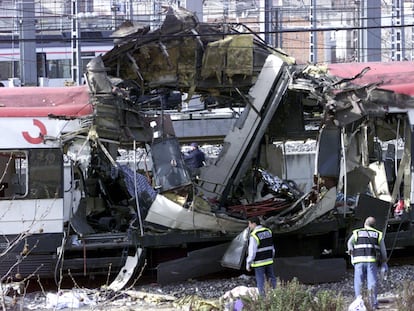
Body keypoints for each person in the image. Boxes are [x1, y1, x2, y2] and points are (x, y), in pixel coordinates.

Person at [347, 216, 387, 309]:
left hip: (358, 261)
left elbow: (349, 242)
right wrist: (384, 261)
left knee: (358, 282)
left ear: (365, 224)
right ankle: (373, 304)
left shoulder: (357, 232)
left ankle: (359, 304)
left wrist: (351, 250)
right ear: (374, 226)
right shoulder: (378, 234)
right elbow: (383, 251)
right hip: (371, 261)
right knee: (372, 282)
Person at [245, 216, 276, 296]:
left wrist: (248, 263)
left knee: (261, 281)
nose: (249, 226)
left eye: (249, 224)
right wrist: (271, 257)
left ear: (254, 224)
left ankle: (263, 300)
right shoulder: (268, 231)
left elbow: (252, 252)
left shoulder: (254, 235)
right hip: (269, 260)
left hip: (259, 263)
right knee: (272, 279)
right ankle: (276, 295)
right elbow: (272, 248)